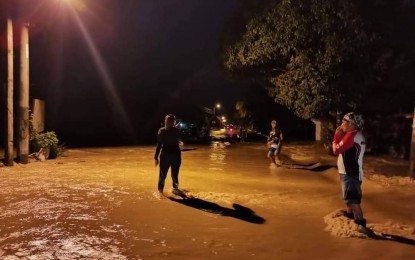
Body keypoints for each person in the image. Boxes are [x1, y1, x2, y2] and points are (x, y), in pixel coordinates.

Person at [332, 112, 368, 233]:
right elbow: (345, 148)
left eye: (344, 121)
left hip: (350, 174)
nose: (341, 124)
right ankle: (350, 216)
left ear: (351, 123)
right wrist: (342, 133)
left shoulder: (352, 135)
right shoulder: (357, 135)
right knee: (349, 199)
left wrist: (336, 136)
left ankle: (361, 225)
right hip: (352, 173)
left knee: (353, 201)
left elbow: (336, 150)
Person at [154, 114, 183, 194]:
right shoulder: (177, 131)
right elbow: (183, 141)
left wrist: (156, 158)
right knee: (175, 175)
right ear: (174, 122)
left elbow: (159, 145)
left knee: (162, 175)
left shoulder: (161, 130)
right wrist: (176, 129)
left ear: (165, 121)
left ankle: (160, 192)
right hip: (176, 156)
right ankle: (175, 188)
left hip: (165, 156)